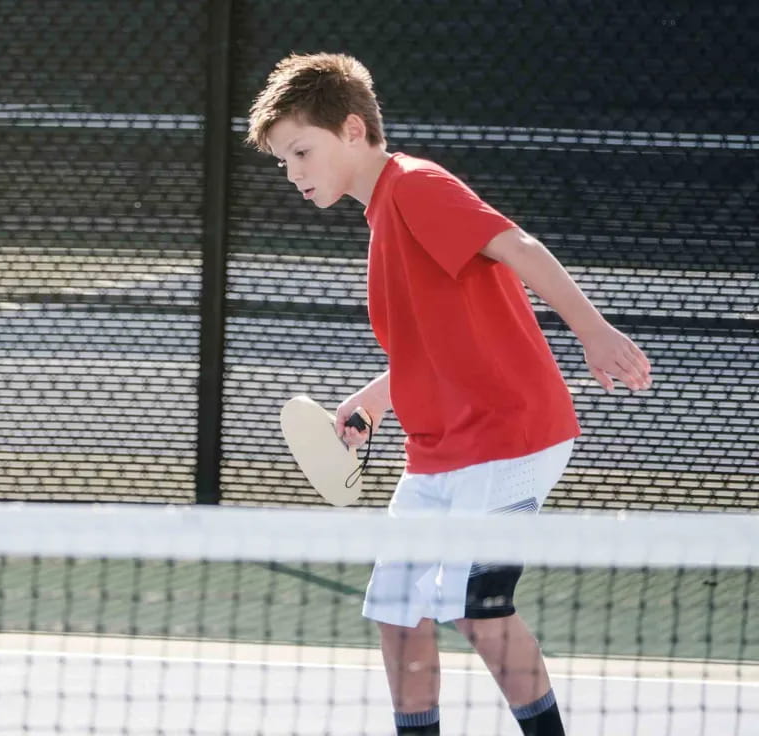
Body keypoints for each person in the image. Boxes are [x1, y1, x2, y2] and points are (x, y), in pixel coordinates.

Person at [247, 53, 652, 736]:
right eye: (284, 160)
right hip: (439, 451)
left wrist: (593, 331)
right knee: (398, 611)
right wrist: (376, 400)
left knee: (476, 606)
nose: (293, 172)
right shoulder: (384, 215)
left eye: (301, 151)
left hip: (509, 437)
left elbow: (518, 247)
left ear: (353, 130)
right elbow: (434, 343)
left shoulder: (416, 187)